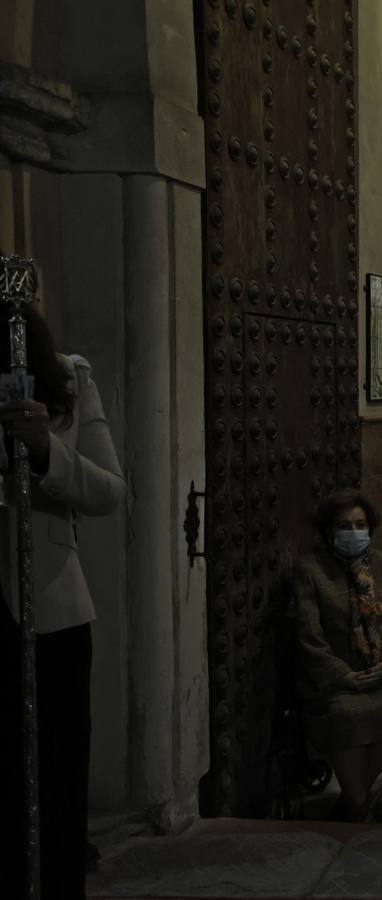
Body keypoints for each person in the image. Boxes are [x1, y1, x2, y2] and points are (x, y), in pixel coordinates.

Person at [0, 307, 124, 900]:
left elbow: (108, 490)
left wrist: (46, 451)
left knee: (56, 764)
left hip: (48, 607)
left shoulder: (68, 381)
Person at [291, 490, 382, 820]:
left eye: (360, 524)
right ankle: (361, 807)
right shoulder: (311, 570)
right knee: (346, 715)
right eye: (344, 525)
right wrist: (340, 673)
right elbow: (308, 632)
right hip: (338, 675)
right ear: (329, 530)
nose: (353, 531)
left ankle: (351, 803)